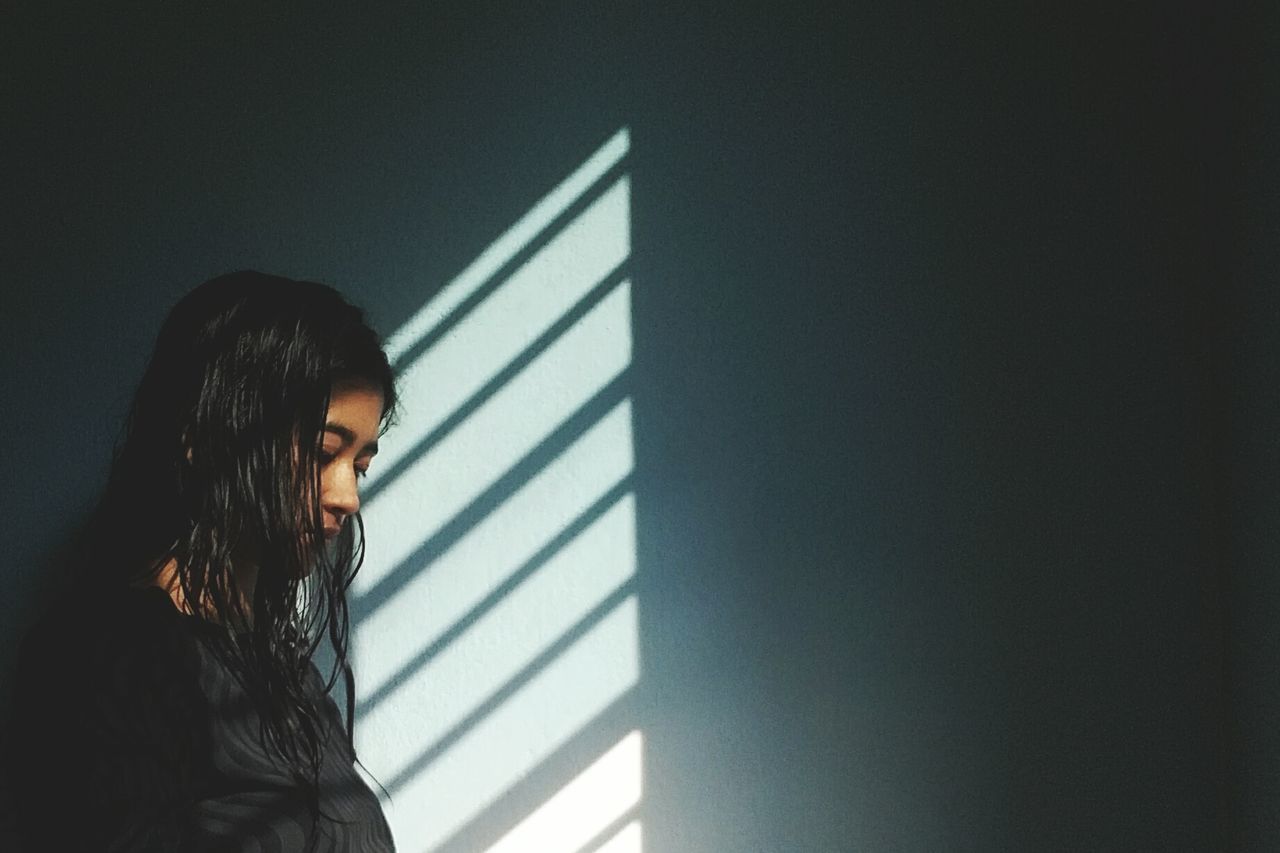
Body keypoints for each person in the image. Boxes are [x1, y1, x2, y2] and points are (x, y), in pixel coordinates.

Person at [7, 271, 398, 852]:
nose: (348, 496)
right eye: (322, 453)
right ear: (211, 439)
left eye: (359, 465)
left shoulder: (289, 679)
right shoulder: (101, 661)